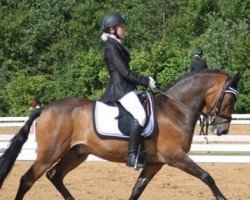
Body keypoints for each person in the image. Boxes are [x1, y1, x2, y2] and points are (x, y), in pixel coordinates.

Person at [100, 13, 156, 169]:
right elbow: (124, 73)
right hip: (120, 89)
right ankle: (132, 156)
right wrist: (145, 81)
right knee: (141, 115)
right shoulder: (111, 46)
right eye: (121, 27)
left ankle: (143, 149)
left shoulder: (115, 44)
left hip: (126, 87)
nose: (124, 30)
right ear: (112, 30)